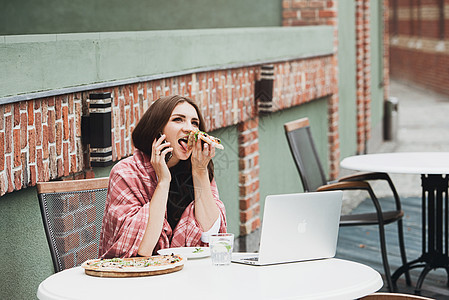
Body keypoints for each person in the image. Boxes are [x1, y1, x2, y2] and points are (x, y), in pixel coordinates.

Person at [99, 95, 227, 258]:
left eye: (194, 122)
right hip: (139, 276)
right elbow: (143, 249)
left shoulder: (197, 168)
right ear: (158, 129)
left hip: (188, 273)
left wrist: (200, 172)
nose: (190, 129)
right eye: (178, 120)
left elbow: (211, 237)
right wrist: (164, 182)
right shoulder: (126, 172)